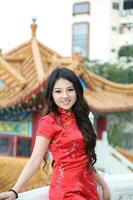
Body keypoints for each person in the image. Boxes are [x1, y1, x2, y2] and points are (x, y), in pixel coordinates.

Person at [0, 67, 110, 200]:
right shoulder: (49, 122)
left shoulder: (82, 119)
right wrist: (14, 191)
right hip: (66, 191)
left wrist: (104, 185)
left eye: (70, 89)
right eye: (58, 91)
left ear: (77, 91)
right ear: (51, 94)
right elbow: (35, 159)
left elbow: (84, 160)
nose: (65, 96)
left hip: (89, 189)